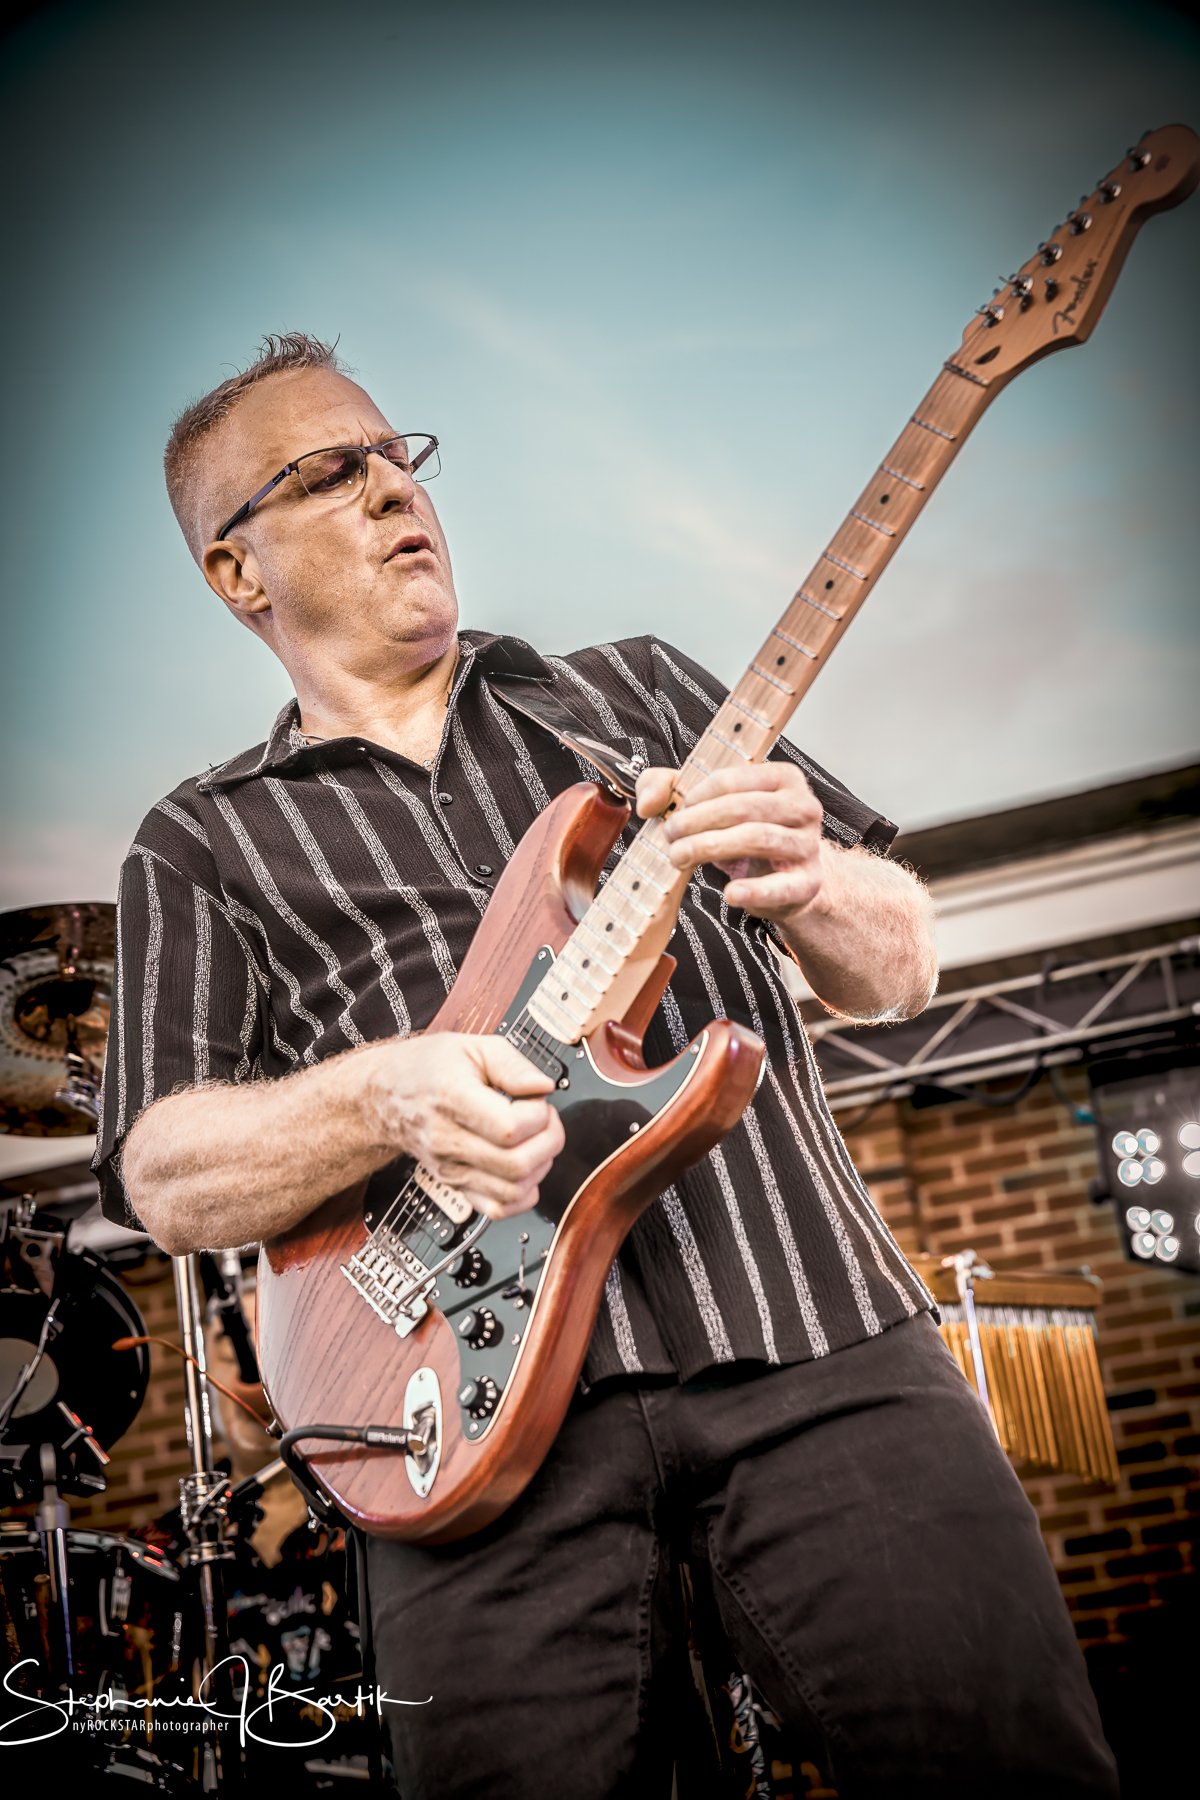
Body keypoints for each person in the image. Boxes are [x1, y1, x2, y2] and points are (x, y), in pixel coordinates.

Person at [94, 333, 1118, 1799]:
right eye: (329, 472)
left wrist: (814, 882)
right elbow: (163, 1173)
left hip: (810, 1334)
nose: (393, 489)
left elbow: (900, 966)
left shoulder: (634, 694)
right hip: (455, 1448)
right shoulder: (200, 841)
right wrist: (386, 1093)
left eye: (399, 455)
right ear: (233, 569)